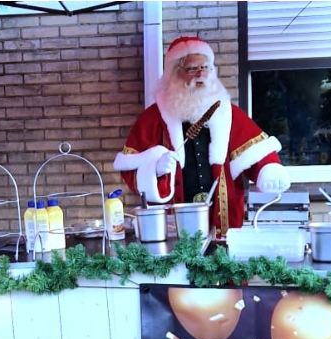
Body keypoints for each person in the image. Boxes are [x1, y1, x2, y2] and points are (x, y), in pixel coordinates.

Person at [113, 36, 290, 237]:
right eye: (192, 69)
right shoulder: (152, 118)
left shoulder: (227, 113)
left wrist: (268, 170)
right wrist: (154, 169)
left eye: (205, 67)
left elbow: (255, 153)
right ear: (173, 74)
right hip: (172, 227)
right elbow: (130, 168)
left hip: (224, 224)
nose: (201, 74)